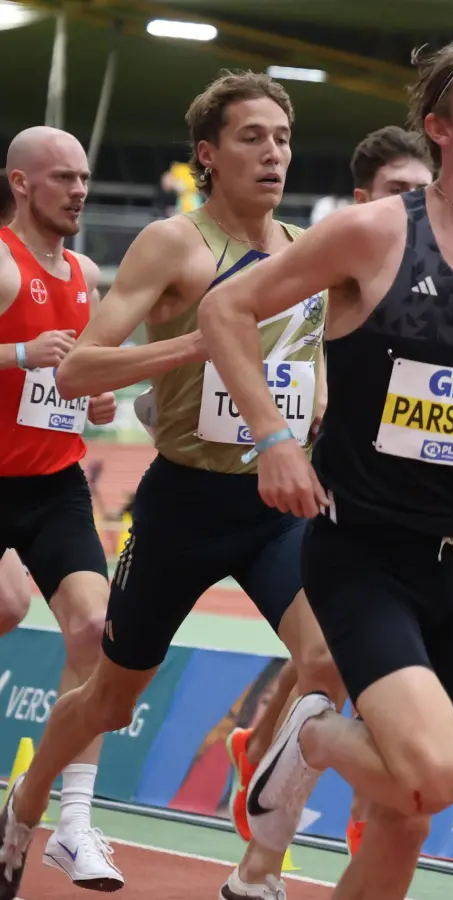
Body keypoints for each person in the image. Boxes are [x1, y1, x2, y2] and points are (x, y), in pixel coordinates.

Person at [197, 38, 453, 900]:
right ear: (440, 128)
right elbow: (226, 309)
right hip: (361, 555)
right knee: (435, 774)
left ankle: (316, 746)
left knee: (405, 821)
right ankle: (313, 737)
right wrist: (275, 440)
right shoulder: (376, 234)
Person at [0, 73, 348, 900]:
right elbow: (81, 367)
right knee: (109, 701)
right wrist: (196, 345)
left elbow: (310, 369)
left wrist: (312, 419)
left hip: (271, 506)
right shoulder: (174, 244)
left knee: (329, 659)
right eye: (252, 138)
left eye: (282, 138)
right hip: (182, 508)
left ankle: (258, 855)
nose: (273, 154)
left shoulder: (308, 251)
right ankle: (25, 804)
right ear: (208, 155)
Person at [223, 123, 437, 856]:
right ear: (362, 198)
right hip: (345, 492)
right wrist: (286, 425)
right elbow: (286, 329)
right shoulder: (343, 258)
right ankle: (286, 815)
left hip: (426, 502)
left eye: (423, 192)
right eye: (397, 191)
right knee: (339, 654)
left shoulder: (448, 273)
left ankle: (276, 753)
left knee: (348, 654)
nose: (412, 205)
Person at [0, 126, 121, 892]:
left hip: (53, 485)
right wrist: (18, 354)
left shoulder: (85, 272)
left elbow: (79, 380)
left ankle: (71, 823)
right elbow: (32, 359)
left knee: (97, 632)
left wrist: (95, 399)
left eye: (83, 177)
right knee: (7, 607)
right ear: (21, 184)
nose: (79, 190)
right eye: (62, 178)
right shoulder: (2, 264)